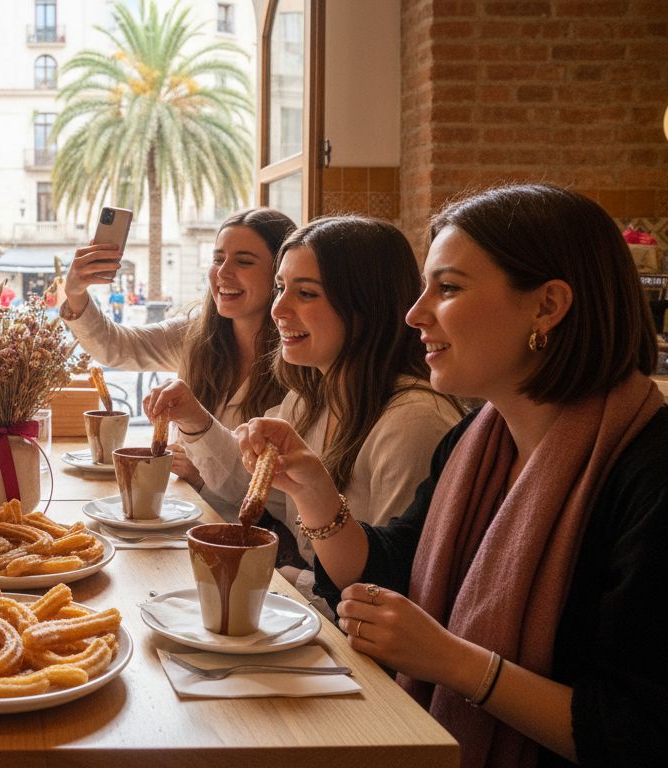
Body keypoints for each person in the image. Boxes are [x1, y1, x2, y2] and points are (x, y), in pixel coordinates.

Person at [238, 185, 668, 766]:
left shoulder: (653, 472)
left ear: (547, 306)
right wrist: (315, 490)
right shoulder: (477, 440)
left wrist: (453, 663)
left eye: (448, 288)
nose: (415, 313)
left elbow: (640, 732)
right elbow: (396, 570)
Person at [156, 216, 463, 604]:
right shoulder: (307, 399)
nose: (278, 309)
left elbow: (395, 589)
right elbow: (249, 493)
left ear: (365, 304)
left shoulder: (412, 422)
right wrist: (193, 418)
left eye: (306, 293)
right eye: (281, 288)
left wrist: (288, 582)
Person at [66, 208, 296, 511]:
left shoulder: (299, 359)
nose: (223, 273)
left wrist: (201, 474)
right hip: (183, 515)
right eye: (217, 259)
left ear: (280, 275)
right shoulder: (195, 335)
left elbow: (278, 494)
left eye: (243, 261)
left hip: (247, 538)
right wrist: (75, 291)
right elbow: (116, 347)